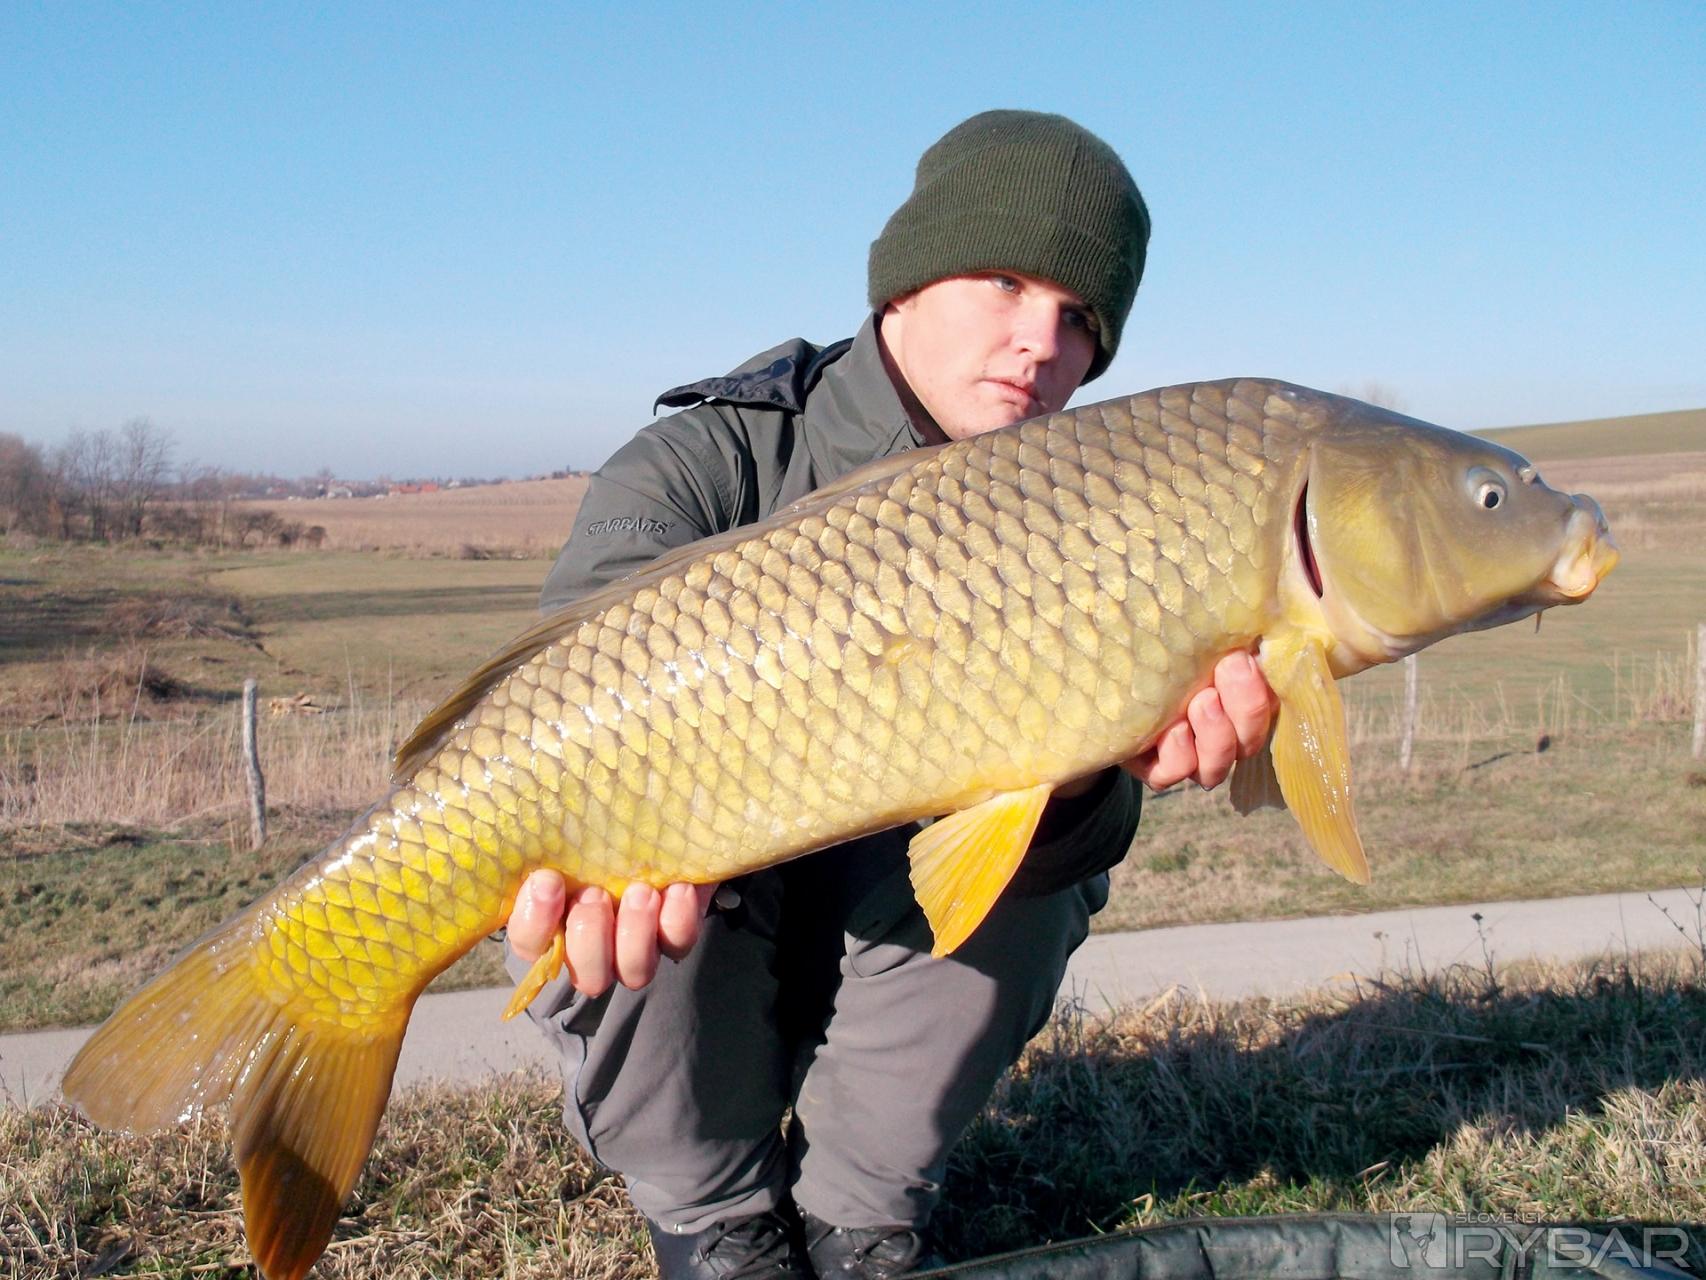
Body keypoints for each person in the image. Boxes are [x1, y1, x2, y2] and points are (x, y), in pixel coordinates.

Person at [504, 110, 1278, 1278]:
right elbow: (549, 704)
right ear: (904, 285)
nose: (1040, 341)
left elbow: (1081, 841)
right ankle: (712, 1217)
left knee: (1037, 848)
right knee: (600, 848)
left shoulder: (1103, 508)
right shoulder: (704, 462)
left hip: (890, 955)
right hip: (703, 942)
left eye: (1080, 318)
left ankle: (857, 1215)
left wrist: (1083, 781)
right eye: (1006, 281)